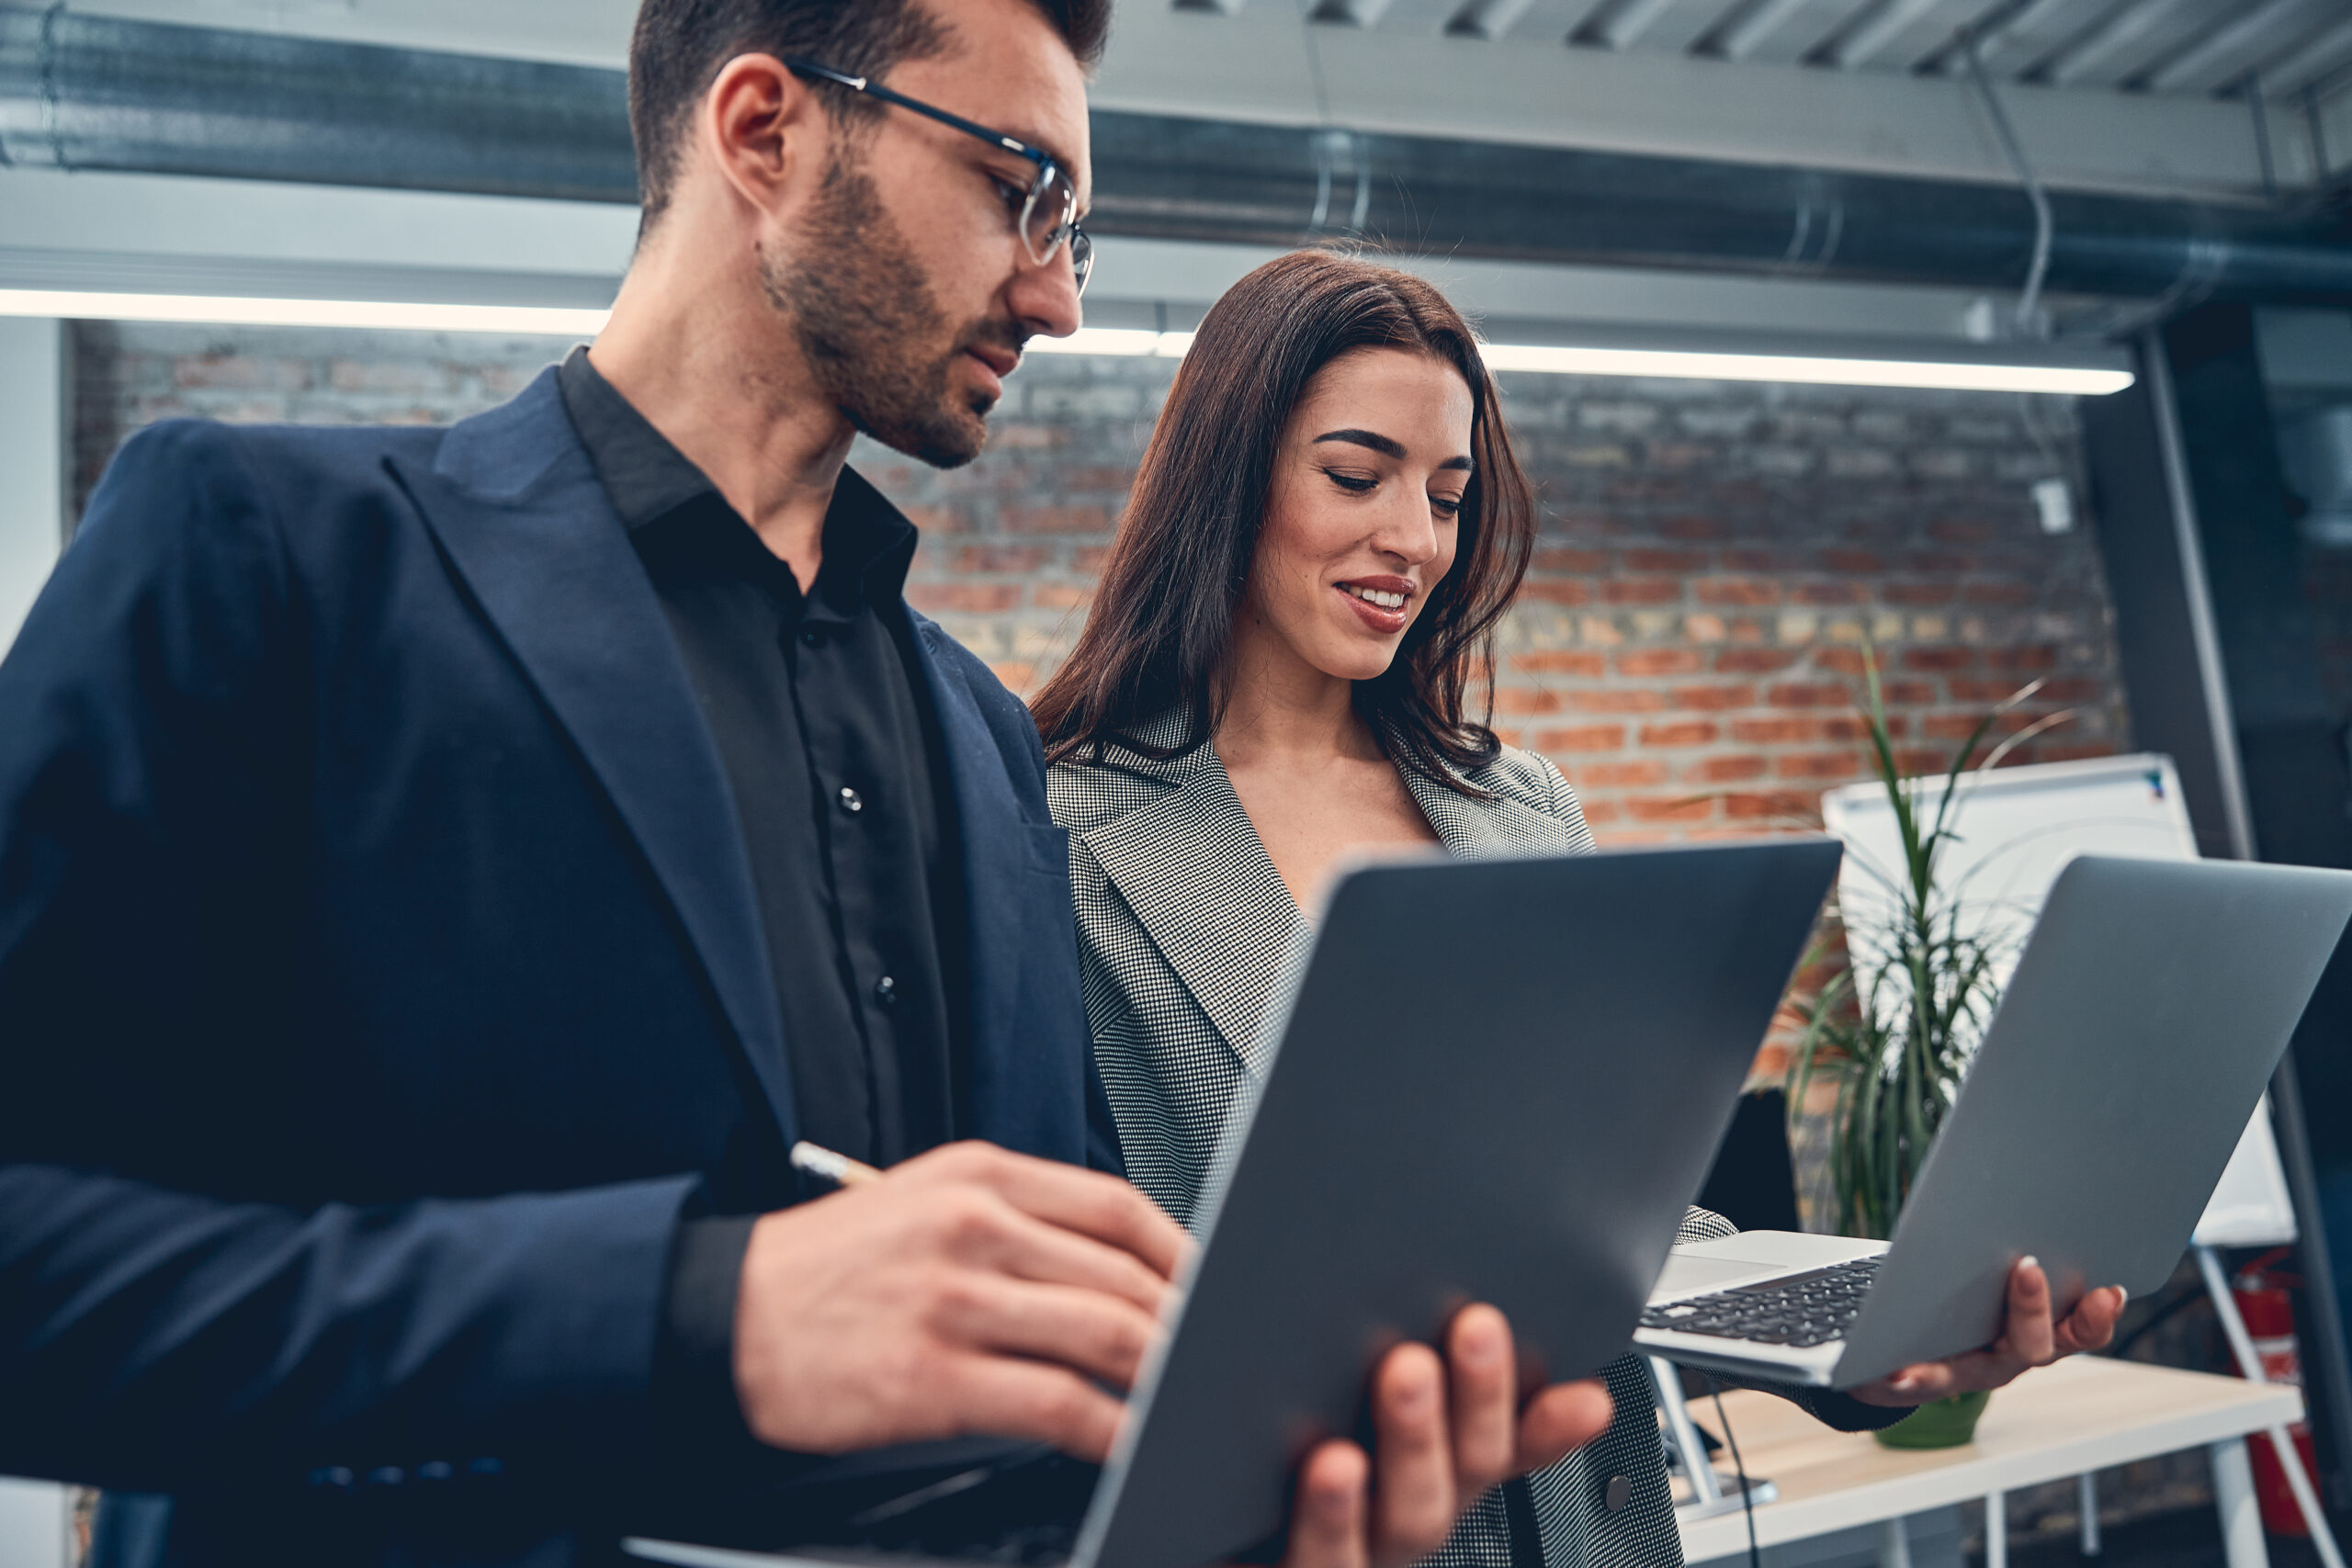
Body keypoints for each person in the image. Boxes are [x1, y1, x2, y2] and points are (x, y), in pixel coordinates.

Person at [0, 12, 1617, 1568]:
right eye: (1016, 188)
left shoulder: (988, 747)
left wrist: (1248, 1493)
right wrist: (707, 1313)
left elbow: (1045, 1400)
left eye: (1075, 226)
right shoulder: (275, 560)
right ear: (765, 129)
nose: (1056, 294)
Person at [1033, 249, 2128, 1568]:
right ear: (1228, 476)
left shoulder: (1518, 808)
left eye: (1447, 494)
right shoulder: (1057, 833)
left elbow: (1624, 1223)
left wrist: (1865, 1343)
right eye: (1354, 475)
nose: (1414, 543)